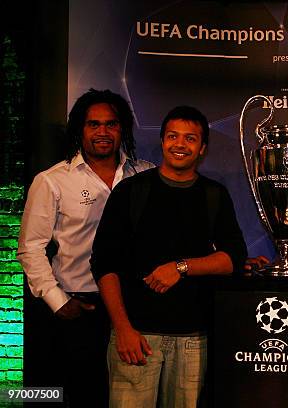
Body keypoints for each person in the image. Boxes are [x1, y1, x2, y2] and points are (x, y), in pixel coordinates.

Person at [90, 106, 247, 407]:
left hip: (192, 340)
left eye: (190, 138)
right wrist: (122, 329)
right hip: (136, 336)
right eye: (173, 136)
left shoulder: (214, 194)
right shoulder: (131, 192)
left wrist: (181, 267)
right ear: (162, 141)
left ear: (202, 149)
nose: (180, 144)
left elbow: (233, 258)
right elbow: (104, 263)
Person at [17, 89, 154, 406]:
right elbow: (30, 248)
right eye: (94, 125)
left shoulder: (146, 175)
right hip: (77, 310)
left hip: (132, 308)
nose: (103, 132)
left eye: (111, 124)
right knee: (67, 397)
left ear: (123, 130)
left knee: (123, 398)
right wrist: (57, 301)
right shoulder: (52, 181)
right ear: (80, 130)